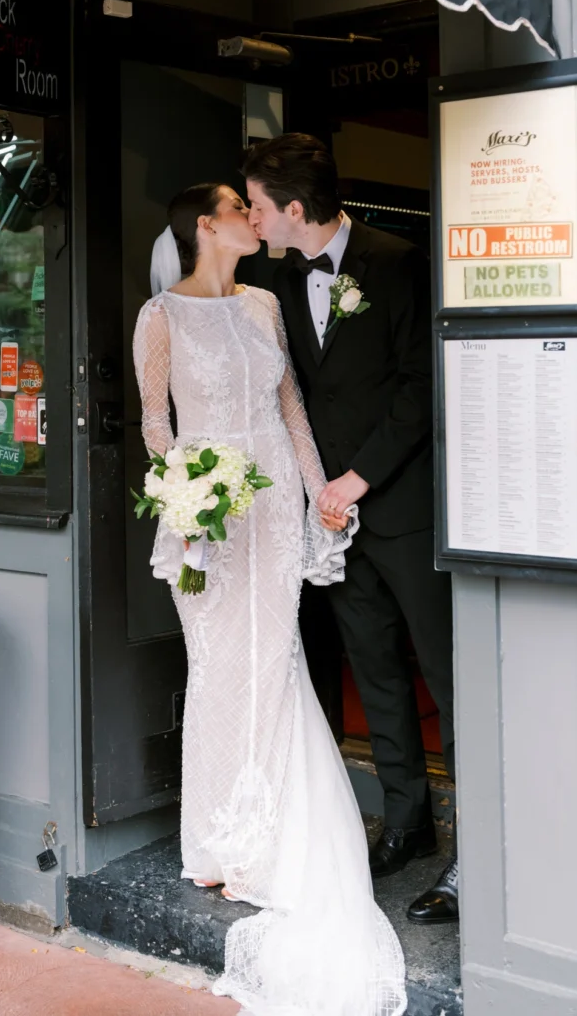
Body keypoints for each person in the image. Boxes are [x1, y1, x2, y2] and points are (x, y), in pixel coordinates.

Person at [134, 182, 406, 1016]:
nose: (254, 219)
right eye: (236, 207)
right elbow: (154, 420)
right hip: (210, 508)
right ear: (204, 226)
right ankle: (220, 841)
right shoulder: (160, 316)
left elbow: (289, 404)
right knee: (222, 664)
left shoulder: (262, 302)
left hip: (276, 499)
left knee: (276, 656)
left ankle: (271, 829)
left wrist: (323, 493)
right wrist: (185, 495)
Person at [242, 133, 457, 926]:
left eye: (260, 206)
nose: (255, 219)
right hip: (332, 523)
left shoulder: (399, 260)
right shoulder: (270, 275)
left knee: (444, 672)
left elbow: (419, 388)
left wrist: (357, 479)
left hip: (402, 508)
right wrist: (315, 494)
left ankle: (476, 847)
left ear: (295, 208)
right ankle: (407, 824)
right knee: (375, 672)